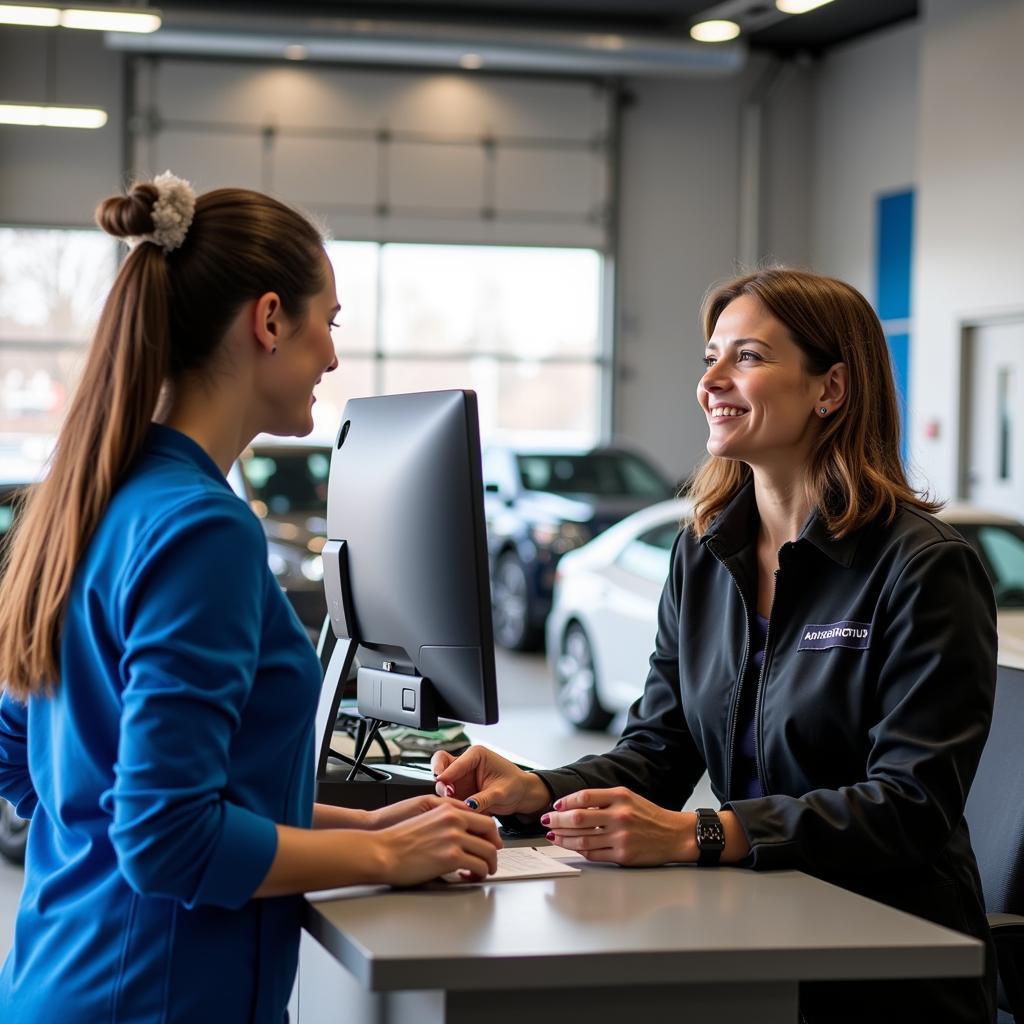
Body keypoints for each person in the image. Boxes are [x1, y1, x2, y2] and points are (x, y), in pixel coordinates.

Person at [434, 268, 998, 1023]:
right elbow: (660, 751)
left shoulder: (924, 567)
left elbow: (911, 805)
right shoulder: (703, 554)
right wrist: (536, 788)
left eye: (749, 357)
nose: (712, 381)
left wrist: (707, 831)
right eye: (711, 357)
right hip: (760, 927)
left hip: (892, 955)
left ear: (830, 389)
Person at [0, 173, 500, 1023]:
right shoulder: (204, 531)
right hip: (158, 999)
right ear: (269, 320)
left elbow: (28, 759)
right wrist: (385, 862)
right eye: (328, 324)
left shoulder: (93, 496)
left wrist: (363, 829)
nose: (334, 358)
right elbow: (165, 840)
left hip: (63, 977)